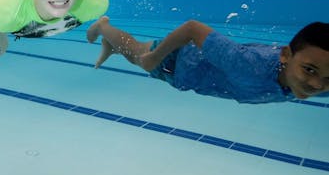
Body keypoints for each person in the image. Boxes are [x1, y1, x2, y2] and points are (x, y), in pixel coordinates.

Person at [86, 17, 329, 104]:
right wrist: (154, 58)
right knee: (136, 53)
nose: (317, 85)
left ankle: (110, 44)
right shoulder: (245, 63)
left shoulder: (321, 81)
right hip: (175, 60)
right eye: (309, 70)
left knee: (133, 54)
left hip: (189, 65)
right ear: (286, 56)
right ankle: (103, 27)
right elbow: (193, 28)